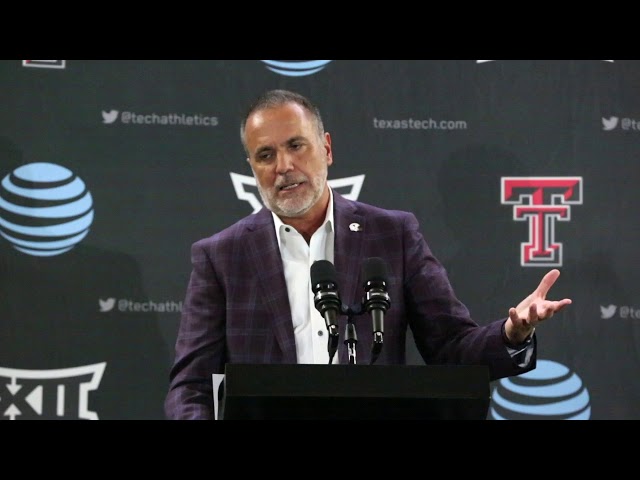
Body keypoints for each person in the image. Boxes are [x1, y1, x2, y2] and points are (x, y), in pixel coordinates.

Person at [164, 89, 572, 420]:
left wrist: (511, 333)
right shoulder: (221, 256)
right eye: (265, 155)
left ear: (326, 149)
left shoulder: (391, 235)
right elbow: (191, 386)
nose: (283, 166)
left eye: (296, 146)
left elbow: (450, 346)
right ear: (251, 166)